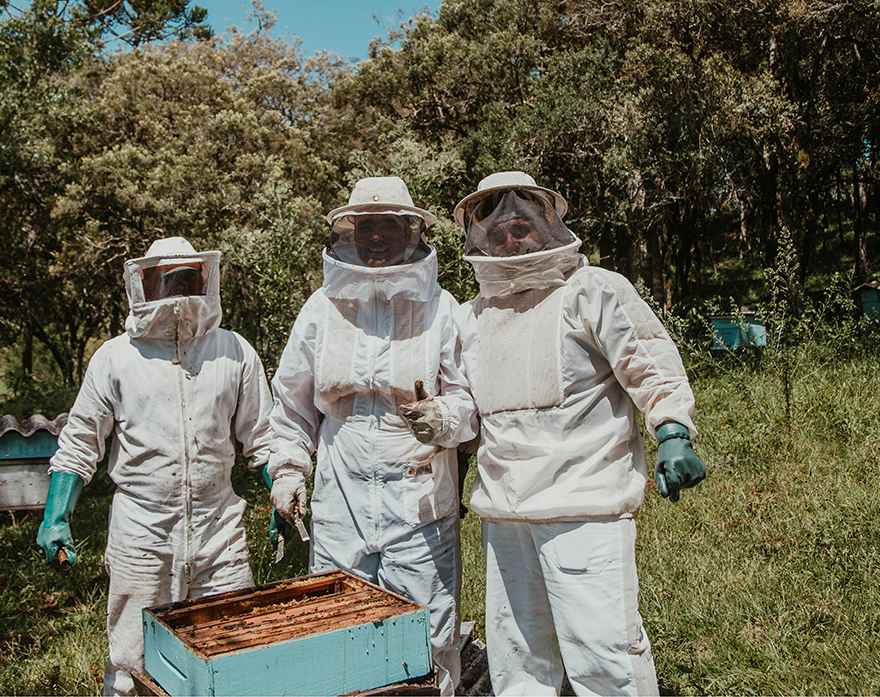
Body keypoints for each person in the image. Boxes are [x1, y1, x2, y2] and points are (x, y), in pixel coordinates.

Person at [453, 171, 706, 697]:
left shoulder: (593, 290)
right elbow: (467, 408)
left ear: (549, 225)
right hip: (503, 512)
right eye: (497, 232)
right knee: (516, 659)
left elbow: (648, 361)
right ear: (479, 240)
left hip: (585, 503)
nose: (510, 239)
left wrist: (673, 429)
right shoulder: (470, 316)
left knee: (604, 654)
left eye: (521, 226)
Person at [36, 237, 273, 697]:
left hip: (219, 529)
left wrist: (282, 493)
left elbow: (262, 438)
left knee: (234, 651)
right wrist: (55, 516)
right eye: (167, 280)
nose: (179, 291)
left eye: (186, 278)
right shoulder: (115, 357)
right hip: (141, 532)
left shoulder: (234, 351)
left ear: (203, 279)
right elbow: (81, 441)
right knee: (133, 665)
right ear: (145, 284)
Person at [267, 176, 477, 696]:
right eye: (365, 227)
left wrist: (443, 418)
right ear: (349, 234)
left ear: (410, 232)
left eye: (387, 226)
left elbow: (472, 402)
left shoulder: (441, 308)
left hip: (420, 495)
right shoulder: (322, 309)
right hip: (340, 497)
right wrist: (290, 470)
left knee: (428, 631)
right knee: (338, 623)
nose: (376, 238)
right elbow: (292, 404)